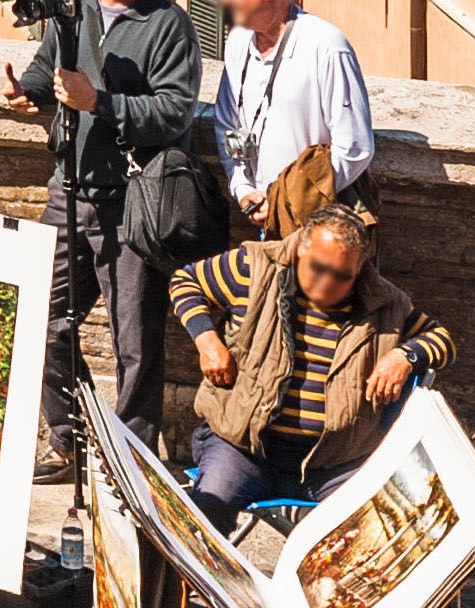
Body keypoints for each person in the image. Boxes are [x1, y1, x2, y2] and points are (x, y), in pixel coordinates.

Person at [10, 0, 202, 469]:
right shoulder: (76, 10)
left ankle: (134, 459)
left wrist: (105, 103)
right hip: (68, 189)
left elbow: (175, 112)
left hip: (133, 201)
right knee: (40, 317)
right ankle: (67, 438)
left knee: (135, 343)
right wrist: (30, 91)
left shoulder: (169, 26)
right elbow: (50, 68)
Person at [168, 206, 453, 529]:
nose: (326, 282)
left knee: (376, 533)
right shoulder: (255, 268)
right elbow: (186, 280)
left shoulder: (386, 304)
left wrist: (405, 356)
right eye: (317, 268)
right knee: (202, 517)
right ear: (301, 246)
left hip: (335, 463)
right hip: (243, 448)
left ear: (359, 271)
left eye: (341, 276)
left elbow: (441, 338)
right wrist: (207, 341)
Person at [210, 0, 377, 238]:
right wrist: (242, 187)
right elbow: (225, 122)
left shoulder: (326, 46)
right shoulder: (237, 42)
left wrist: (290, 200)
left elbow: (355, 147)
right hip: (262, 216)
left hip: (317, 226)